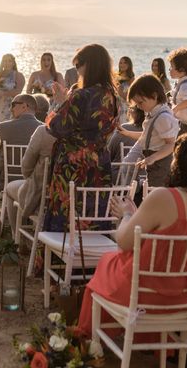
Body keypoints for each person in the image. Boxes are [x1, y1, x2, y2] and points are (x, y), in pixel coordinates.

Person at [76, 132, 187, 342]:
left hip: (147, 295)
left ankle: (88, 338)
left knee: (109, 261)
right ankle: (160, 345)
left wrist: (126, 214)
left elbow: (124, 242)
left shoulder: (164, 197)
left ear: (181, 163)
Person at [45, 44, 119, 232]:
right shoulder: (111, 95)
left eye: (78, 65)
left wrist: (59, 104)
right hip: (99, 162)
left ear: (89, 65)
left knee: (67, 211)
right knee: (92, 210)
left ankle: (58, 255)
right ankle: (91, 253)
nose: (77, 70)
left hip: (72, 164)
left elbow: (58, 128)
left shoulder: (81, 95)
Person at [121, 74, 179, 187]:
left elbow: (171, 144)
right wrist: (126, 133)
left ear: (154, 96)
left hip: (161, 163)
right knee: (152, 187)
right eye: (137, 104)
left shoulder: (163, 117)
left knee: (157, 190)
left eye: (141, 102)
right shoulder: (154, 114)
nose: (139, 107)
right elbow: (147, 136)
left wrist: (153, 157)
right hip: (154, 160)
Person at [0, 94, 42, 192]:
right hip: (36, 183)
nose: (10, 109)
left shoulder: (2, 128)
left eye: (13, 105)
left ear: (24, 106)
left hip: (7, 181)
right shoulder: (45, 129)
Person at [0, 54, 25, 122]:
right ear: (2, 62)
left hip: (9, 107)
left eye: (9, 61)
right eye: (4, 61)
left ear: (13, 63)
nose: (7, 63)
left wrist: (3, 93)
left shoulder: (18, 75)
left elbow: (18, 92)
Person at [116, 56, 135, 123]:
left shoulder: (132, 79)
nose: (122, 65)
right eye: (120, 63)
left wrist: (120, 92)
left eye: (125, 63)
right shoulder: (116, 78)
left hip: (126, 110)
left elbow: (130, 98)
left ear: (129, 65)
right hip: (117, 110)